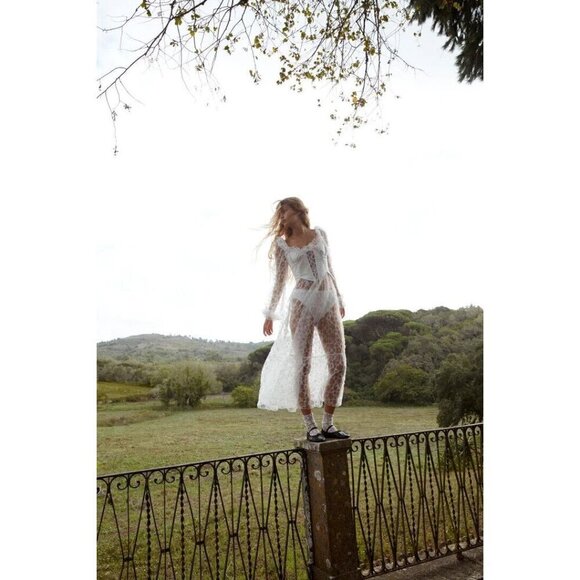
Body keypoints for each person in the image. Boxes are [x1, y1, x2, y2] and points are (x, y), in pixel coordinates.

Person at [258, 197, 350, 442]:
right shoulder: (282, 244)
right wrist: (270, 314)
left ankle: (328, 424)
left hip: (328, 300)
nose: (281, 215)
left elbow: (330, 268)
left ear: (298, 210)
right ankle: (310, 426)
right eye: (279, 212)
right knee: (303, 365)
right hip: (302, 303)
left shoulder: (320, 234)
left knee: (339, 363)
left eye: (284, 210)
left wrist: (340, 298)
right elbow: (279, 282)